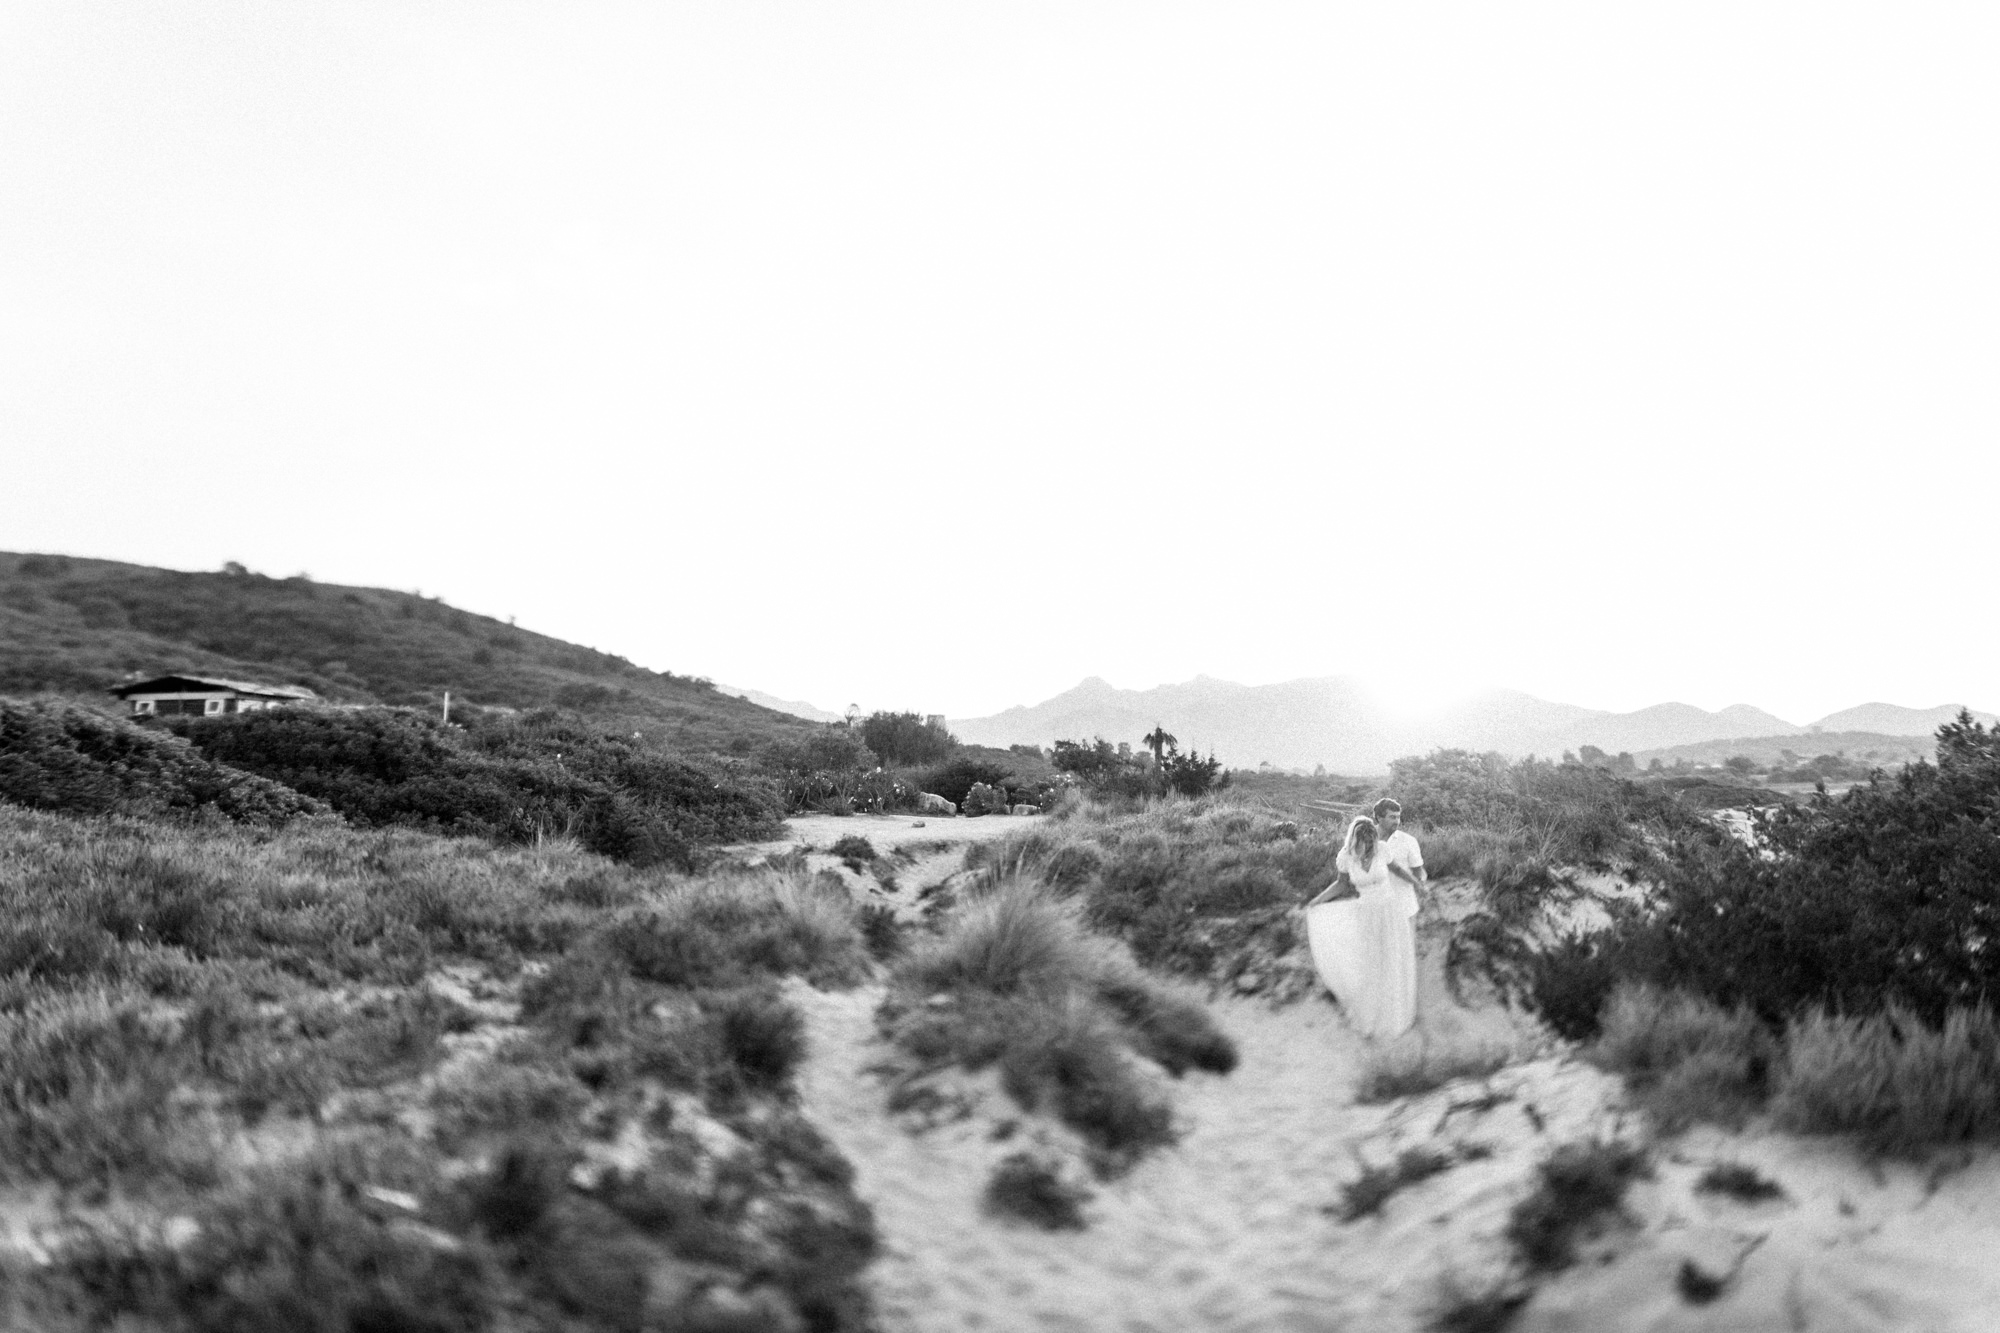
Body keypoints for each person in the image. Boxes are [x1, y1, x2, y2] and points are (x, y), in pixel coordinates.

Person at [1303, 813, 1423, 1039]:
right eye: (1363, 841)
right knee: (1369, 963)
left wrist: (1415, 882)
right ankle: (1371, 1016)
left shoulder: (1382, 849)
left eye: (1371, 841)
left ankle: (1394, 1018)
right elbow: (1341, 884)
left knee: (1390, 961)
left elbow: (1396, 870)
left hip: (1389, 912)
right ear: (1354, 839)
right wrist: (1318, 900)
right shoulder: (1346, 857)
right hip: (1365, 913)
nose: (1368, 846)